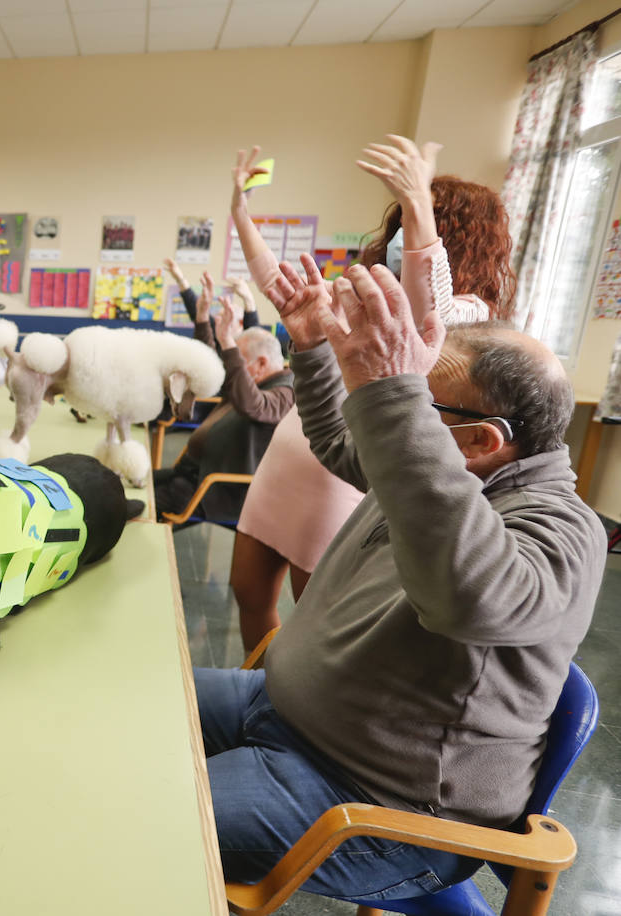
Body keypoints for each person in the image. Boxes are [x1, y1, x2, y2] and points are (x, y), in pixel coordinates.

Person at [199, 259, 604, 902]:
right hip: (283, 713)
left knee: (133, 807)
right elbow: (340, 439)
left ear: (476, 440)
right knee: (126, 711)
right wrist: (311, 346)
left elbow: (469, 596)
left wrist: (392, 397)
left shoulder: (564, 532)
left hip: (375, 805)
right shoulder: (442, 466)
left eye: (418, 400)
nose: (402, 418)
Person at [227, 137, 516, 650]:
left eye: (417, 217)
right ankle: (253, 682)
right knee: (248, 591)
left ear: (455, 236)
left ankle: (280, 705)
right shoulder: (368, 287)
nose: (401, 229)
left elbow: (432, 309)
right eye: (402, 218)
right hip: (289, 455)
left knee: (311, 621)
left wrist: (417, 202)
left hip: (336, 470)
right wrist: (240, 212)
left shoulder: (470, 314)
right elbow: (279, 283)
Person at [153, 272, 292, 522]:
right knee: (132, 483)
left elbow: (256, 407)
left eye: (239, 360)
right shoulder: (251, 380)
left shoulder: (287, 391)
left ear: (261, 363)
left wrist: (228, 342)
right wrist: (203, 318)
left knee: (138, 502)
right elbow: (210, 368)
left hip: (217, 491)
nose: (232, 368)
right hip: (194, 475)